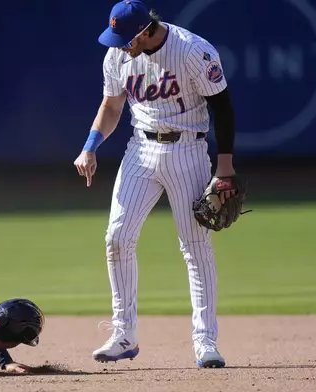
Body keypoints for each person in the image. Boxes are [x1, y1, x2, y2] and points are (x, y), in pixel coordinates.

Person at [74, 0, 239, 368]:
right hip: (140, 149)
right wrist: (90, 147)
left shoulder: (192, 50)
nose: (119, 44)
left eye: (125, 37)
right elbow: (112, 107)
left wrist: (224, 166)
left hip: (188, 151)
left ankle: (205, 341)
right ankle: (123, 334)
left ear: (146, 30)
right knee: (117, 237)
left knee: (195, 246)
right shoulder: (117, 56)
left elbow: (222, 107)